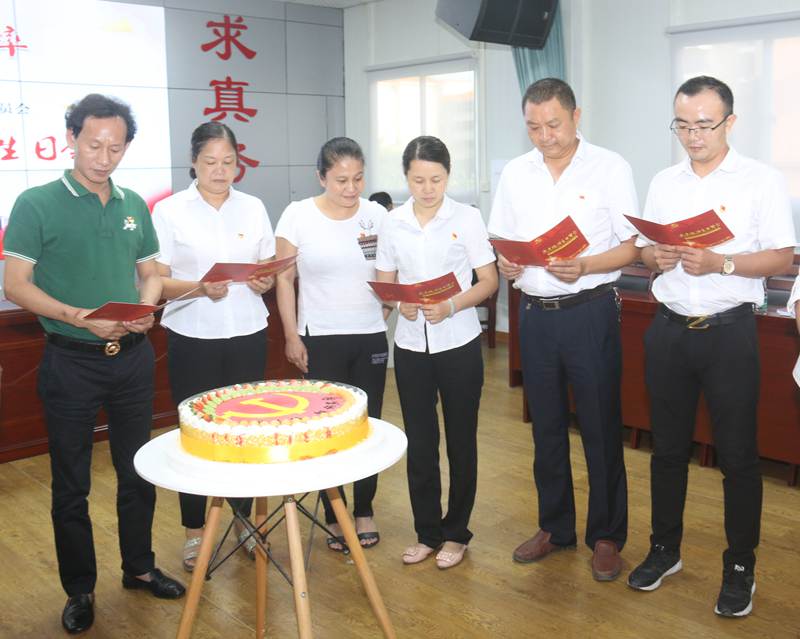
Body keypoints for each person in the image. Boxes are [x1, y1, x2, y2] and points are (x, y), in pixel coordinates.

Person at [2, 94, 185, 635]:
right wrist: (78, 317)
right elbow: (15, 285)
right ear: (71, 138)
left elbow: (150, 271)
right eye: (94, 145)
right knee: (71, 484)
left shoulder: (133, 205)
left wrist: (145, 307)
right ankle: (79, 589)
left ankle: (140, 567)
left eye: (116, 147)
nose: (104, 158)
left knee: (138, 471)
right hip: (70, 361)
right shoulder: (37, 203)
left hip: (132, 360)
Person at [627, 76, 796, 617]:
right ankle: (664, 549)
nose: (692, 135)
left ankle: (740, 567)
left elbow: (782, 257)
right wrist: (655, 257)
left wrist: (722, 262)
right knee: (667, 450)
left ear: (730, 122)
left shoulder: (761, 181)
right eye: (682, 125)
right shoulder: (665, 181)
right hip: (669, 329)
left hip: (729, 333)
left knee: (739, 457)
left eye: (703, 124)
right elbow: (646, 250)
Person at [488, 78, 639, 581]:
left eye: (553, 124)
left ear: (576, 116)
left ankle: (607, 535)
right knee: (546, 426)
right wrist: (507, 263)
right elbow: (502, 239)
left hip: (589, 310)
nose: (544, 136)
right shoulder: (517, 172)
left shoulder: (610, 167)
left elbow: (632, 247)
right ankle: (555, 527)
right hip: (534, 313)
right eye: (533, 127)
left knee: (599, 425)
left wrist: (587, 264)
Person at [152, 122, 276, 572]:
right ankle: (194, 531)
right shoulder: (169, 211)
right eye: (210, 162)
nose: (220, 170)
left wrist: (263, 280)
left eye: (228, 162)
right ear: (193, 162)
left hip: (247, 332)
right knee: (195, 432)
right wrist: (200, 287)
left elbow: (267, 267)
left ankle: (244, 522)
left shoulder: (253, 207)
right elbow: (157, 280)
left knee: (245, 429)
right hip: (193, 335)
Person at [376, 135, 497, 570]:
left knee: (461, 441)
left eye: (436, 180)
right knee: (421, 442)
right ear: (406, 177)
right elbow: (385, 284)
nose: (427, 189)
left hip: (458, 343)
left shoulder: (467, 218)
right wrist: (398, 304)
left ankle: (456, 533)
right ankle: (427, 532)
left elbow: (488, 281)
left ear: (448, 176)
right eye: (418, 180)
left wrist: (451, 305)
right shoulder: (392, 222)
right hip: (411, 347)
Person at [275, 137, 389, 551]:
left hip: (369, 335)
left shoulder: (377, 215)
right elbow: (284, 278)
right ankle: (333, 513)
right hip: (320, 336)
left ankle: (363, 510)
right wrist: (291, 335)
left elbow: (390, 270)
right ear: (321, 177)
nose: (351, 188)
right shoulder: (298, 215)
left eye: (358, 178)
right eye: (341, 180)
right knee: (327, 428)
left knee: (368, 423)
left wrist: (385, 309)